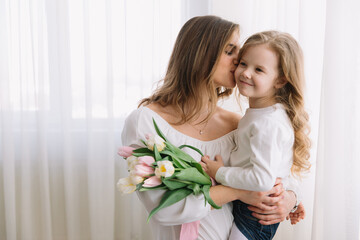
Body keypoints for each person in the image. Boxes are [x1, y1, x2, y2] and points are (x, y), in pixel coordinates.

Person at [121, 16, 300, 240]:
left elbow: (277, 170)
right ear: (200, 55)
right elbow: (165, 210)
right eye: (230, 51)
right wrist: (240, 191)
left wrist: (291, 198)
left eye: (239, 52)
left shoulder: (239, 124)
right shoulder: (146, 122)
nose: (240, 60)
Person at [201, 30, 311, 239]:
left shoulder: (267, 123)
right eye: (243, 63)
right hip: (249, 206)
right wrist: (293, 197)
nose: (246, 73)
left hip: (256, 215)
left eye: (258, 69)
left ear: (280, 81)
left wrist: (220, 172)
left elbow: (261, 179)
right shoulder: (261, 115)